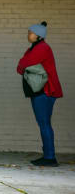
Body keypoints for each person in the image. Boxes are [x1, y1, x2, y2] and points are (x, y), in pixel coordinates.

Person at [17, 21, 63, 167]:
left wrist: (23, 64)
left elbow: (22, 64)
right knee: (44, 123)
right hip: (42, 91)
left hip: (45, 91)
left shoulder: (42, 48)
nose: (28, 35)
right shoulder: (36, 47)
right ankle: (48, 155)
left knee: (44, 124)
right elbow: (20, 67)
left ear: (38, 35)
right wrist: (23, 64)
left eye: (31, 33)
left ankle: (50, 157)